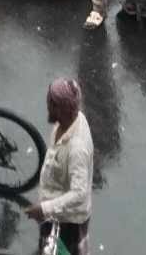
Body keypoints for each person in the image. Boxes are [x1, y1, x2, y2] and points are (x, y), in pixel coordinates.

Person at [26, 77, 95, 255]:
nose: (47, 106)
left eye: (51, 103)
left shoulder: (76, 148)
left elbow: (79, 194)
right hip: (55, 212)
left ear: (61, 109)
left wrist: (44, 209)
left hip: (67, 221)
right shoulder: (68, 121)